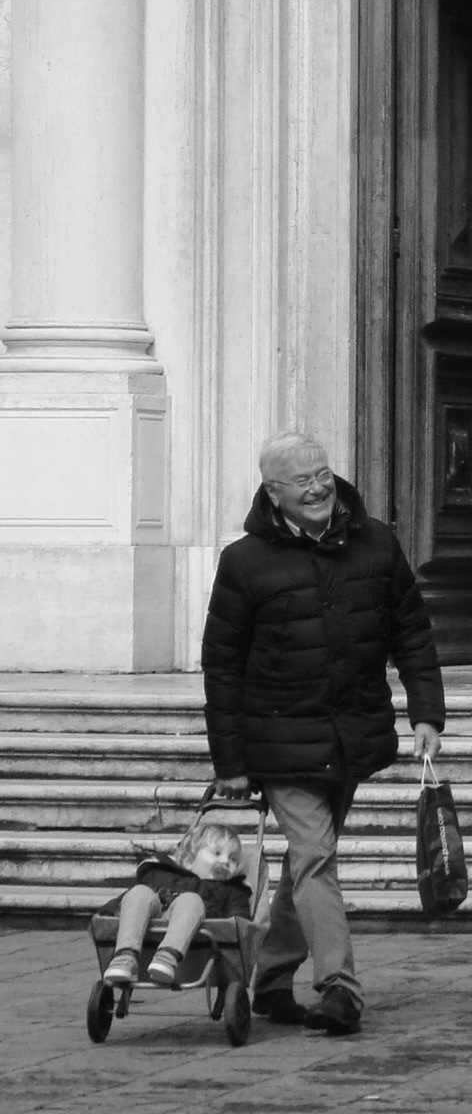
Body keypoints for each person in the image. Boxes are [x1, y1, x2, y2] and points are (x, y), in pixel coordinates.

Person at [202, 432, 445, 1035]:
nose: (317, 487)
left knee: (309, 860)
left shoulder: (377, 543)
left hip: (351, 731)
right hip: (279, 738)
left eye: (322, 474)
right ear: (273, 492)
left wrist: (426, 714)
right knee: (314, 855)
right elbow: (223, 667)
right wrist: (229, 761)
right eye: (300, 480)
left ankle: (274, 978)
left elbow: (411, 633)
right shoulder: (244, 562)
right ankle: (339, 987)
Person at [101, 820, 251, 989]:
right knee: (139, 892)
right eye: (216, 853)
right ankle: (124, 956)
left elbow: (239, 922)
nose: (225, 862)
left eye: (233, 859)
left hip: (198, 938)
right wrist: (109, 912)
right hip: (153, 919)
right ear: (188, 861)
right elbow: (129, 900)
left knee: (191, 900)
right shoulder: (162, 874)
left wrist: (237, 923)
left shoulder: (233, 891)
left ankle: (167, 957)